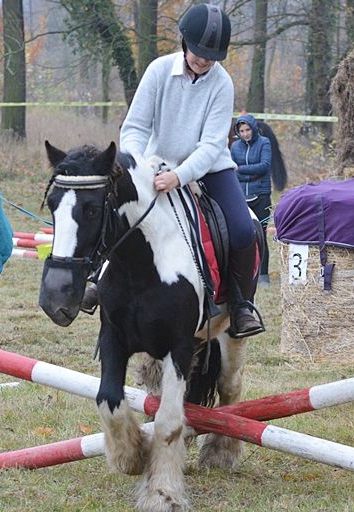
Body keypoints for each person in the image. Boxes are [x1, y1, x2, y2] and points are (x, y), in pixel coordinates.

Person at [117, 3, 264, 338]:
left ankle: (241, 305)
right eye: (198, 51)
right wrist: (135, 164)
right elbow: (136, 127)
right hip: (155, 163)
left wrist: (180, 176)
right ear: (185, 43)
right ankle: (101, 278)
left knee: (242, 229)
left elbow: (212, 145)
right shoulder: (157, 71)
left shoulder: (222, 84)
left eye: (211, 56)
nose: (203, 59)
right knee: (120, 212)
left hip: (210, 169)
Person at [231, 113, 272, 286]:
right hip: (241, 196)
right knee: (244, 235)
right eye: (242, 131)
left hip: (261, 195)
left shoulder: (264, 143)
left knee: (261, 235)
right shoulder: (234, 147)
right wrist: (249, 173)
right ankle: (244, 273)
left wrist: (241, 169)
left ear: (253, 129)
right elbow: (231, 169)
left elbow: (264, 166)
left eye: (248, 130)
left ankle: (263, 275)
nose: (245, 133)